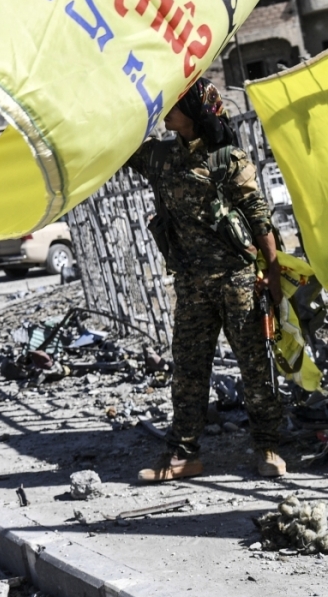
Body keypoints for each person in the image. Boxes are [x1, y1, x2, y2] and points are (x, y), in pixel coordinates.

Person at [125, 78, 286, 481]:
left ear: (196, 113)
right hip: (191, 283)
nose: (168, 111)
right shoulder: (159, 157)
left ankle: (268, 447)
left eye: (176, 104)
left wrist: (272, 273)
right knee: (189, 368)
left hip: (237, 280)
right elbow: (116, 150)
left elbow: (259, 217)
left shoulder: (227, 159)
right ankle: (184, 454)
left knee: (254, 366)